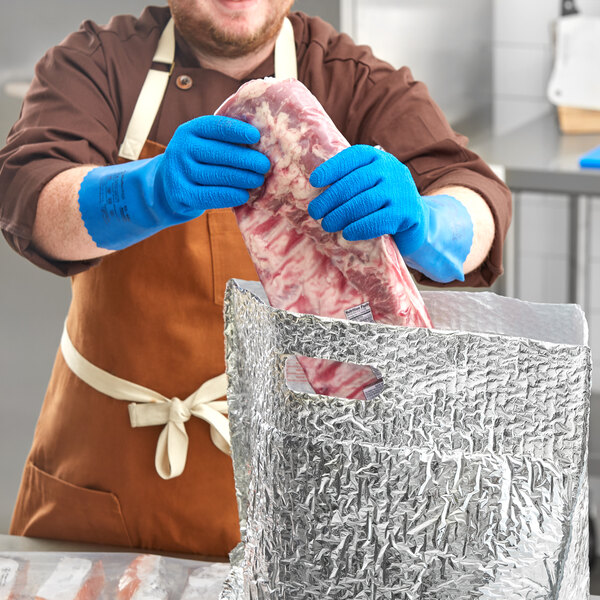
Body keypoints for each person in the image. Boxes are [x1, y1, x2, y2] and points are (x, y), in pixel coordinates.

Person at [0, 0, 511, 557]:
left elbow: (477, 198)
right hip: (105, 475)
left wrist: (429, 221)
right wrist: (148, 190)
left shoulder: (349, 78)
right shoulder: (98, 63)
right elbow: (32, 196)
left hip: (292, 488)